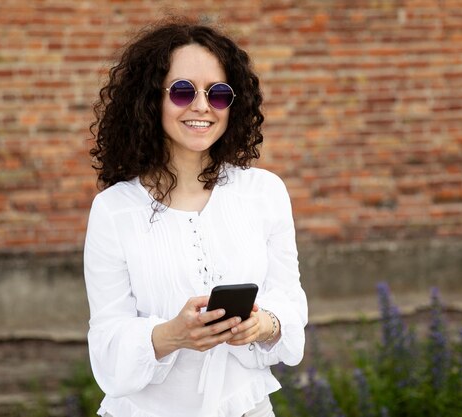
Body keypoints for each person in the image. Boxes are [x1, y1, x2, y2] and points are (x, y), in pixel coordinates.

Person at [84, 17, 308, 417]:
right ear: (150, 99)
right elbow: (106, 342)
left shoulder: (264, 193)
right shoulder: (114, 210)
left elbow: (289, 304)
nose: (202, 106)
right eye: (183, 91)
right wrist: (171, 335)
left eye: (218, 93)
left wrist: (263, 326)